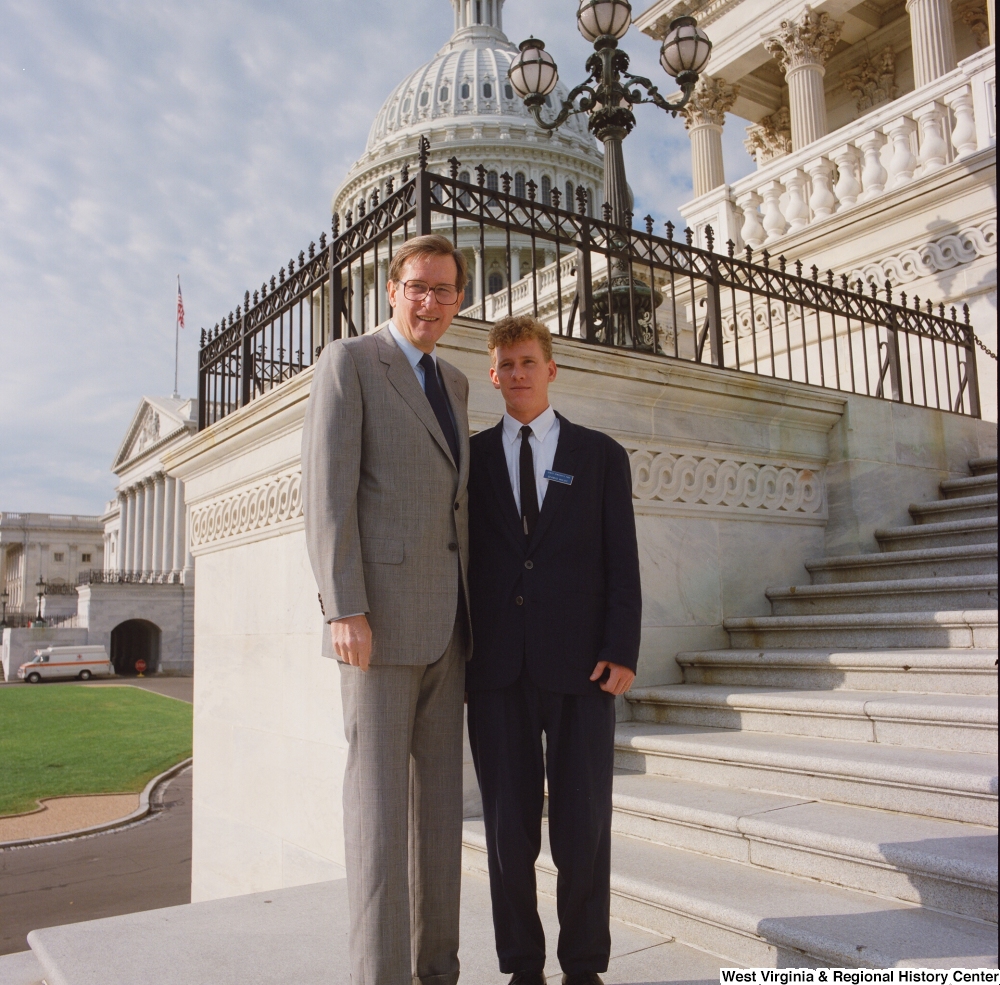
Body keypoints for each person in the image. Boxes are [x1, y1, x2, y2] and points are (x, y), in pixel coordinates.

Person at [301, 234, 472, 985]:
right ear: (392, 289)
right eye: (418, 286)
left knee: (439, 821)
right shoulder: (351, 362)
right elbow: (327, 494)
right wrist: (344, 606)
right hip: (376, 627)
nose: (429, 301)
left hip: (450, 628)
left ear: (460, 300)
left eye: (444, 289)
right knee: (377, 820)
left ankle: (438, 970)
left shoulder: (459, 382)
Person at [466, 315, 642, 985]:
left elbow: (620, 559)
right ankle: (522, 964)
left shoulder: (600, 455)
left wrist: (621, 646)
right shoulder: (473, 457)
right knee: (509, 832)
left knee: (582, 827)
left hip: (585, 668)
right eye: (505, 364)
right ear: (493, 374)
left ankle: (584, 966)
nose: (517, 373)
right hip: (497, 671)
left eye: (527, 362)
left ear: (551, 369)